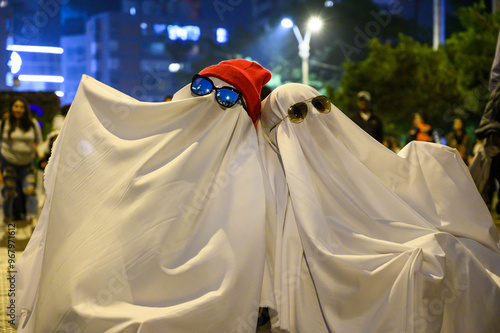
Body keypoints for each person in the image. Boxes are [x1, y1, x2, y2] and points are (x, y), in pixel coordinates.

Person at [15, 59, 272, 332]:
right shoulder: (158, 148)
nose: (209, 99)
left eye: (227, 97)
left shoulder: (246, 177)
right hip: (119, 281)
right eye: (202, 87)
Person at [258, 83, 500, 332]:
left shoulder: (347, 157)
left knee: (449, 252)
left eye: (320, 104)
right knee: (437, 259)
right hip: (346, 258)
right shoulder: (275, 186)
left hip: (380, 236)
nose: (315, 118)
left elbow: (381, 194)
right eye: (297, 113)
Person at [0, 97, 41, 224]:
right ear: (12, 108)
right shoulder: (4, 123)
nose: (18, 109)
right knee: (9, 193)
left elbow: (39, 143)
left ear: (25, 109)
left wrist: (41, 156)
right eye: (16, 106)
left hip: (26, 164)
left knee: (30, 191)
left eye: (21, 107)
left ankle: (32, 219)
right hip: (8, 163)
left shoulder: (32, 123)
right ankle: (8, 221)